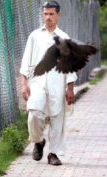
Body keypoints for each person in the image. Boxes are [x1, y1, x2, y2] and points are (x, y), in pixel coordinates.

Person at [19, 1, 77, 166]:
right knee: (33, 114)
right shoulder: (34, 36)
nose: (48, 17)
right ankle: (38, 141)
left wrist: (70, 87)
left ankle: (53, 154)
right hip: (37, 82)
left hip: (57, 83)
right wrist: (24, 84)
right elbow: (26, 61)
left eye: (51, 14)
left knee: (57, 119)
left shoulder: (64, 38)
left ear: (58, 15)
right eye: (45, 14)